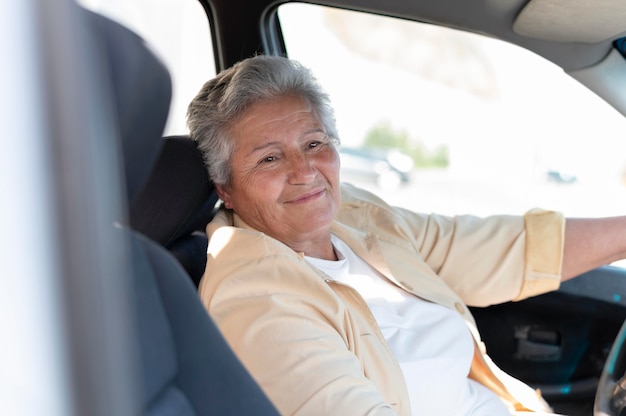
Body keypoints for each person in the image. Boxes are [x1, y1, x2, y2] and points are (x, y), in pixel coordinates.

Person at [186, 54, 626, 415]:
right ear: (225, 186)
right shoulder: (255, 299)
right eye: (269, 159)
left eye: (315, 143)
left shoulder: (354, 216)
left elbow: (498, 250)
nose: (305, 172)